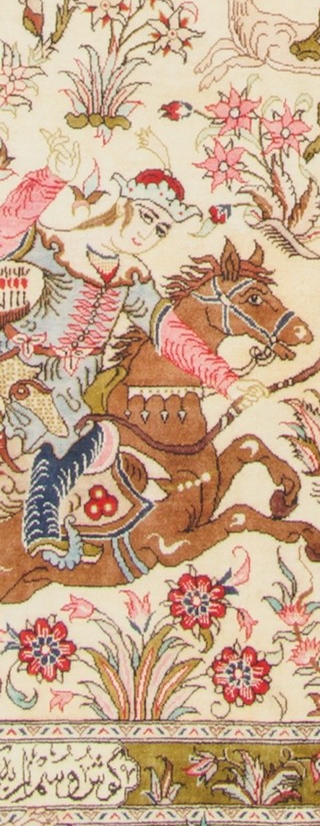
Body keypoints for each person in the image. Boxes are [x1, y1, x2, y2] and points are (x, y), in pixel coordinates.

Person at [0, 139, 263, 569]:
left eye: (160, 229)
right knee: (58, 431)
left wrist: (228, 382)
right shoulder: (62, 249)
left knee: (103, 436)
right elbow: (6, 231)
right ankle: (41, 524)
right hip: (21, 368)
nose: (147, 232)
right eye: (146, 216)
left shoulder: (132, 280)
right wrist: (51, 179)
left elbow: (171, 335)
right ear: (122, 206)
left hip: (74, 387)